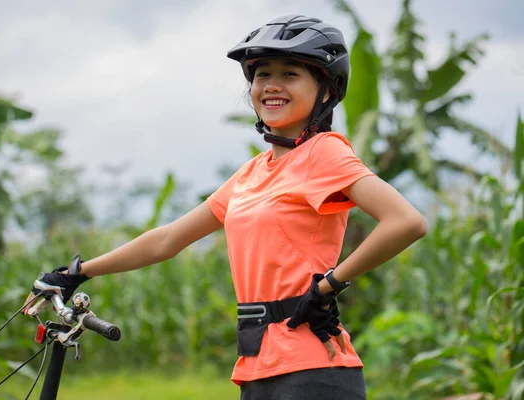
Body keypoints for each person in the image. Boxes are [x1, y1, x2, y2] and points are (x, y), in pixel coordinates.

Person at [23, 14, 426, 400]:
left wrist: (328, 285)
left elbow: (406, 221)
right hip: (257, 369)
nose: (271, 84)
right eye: (262, 73)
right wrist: (76, 273)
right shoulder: (252, 173)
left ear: (325, 89)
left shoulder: (324, 154)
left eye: (290, 73)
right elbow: (167, 240)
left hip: (312, 370)